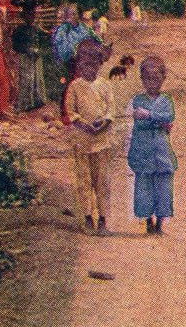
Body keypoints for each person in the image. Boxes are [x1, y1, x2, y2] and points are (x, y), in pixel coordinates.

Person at [63, 40, 115, 234]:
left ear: (100, 65)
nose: (89, 69)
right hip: (82, 140)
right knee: (84, 180)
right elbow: (70, 112)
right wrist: (83, 124)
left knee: (102, 181)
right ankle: (86, 217)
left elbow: (111, 109)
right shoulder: (75, 87)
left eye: (93, 65)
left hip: (102, 141)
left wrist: (104, 123)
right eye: (85, 65)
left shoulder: (105, 85)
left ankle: (102, 218)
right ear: (78, 65)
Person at [127, 56, 177, 235]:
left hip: (162, 150)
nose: (152, 83)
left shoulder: (166, 100)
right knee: (144, 185)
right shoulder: (138, 100)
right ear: (142, 79)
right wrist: (157, 119)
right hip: (144, 149)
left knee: (164, 186)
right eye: (148, 78)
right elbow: (141, 122)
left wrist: (149, 116)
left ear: (163, 79)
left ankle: (161, 222)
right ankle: (148, 220)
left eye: (156, 78)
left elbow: (168, 117)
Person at [11, 1, 47, 111]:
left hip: (36, 57)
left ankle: (38, 101)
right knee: (27, 79)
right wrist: (27, 50)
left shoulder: (37, 29)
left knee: (37, 78)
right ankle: (26, 103)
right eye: (28, 15)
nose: (31, 17)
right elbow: (15, 45)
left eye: (32, 15)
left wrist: (39, 51)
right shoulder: (19, 30)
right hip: (25, 57)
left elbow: (43, 40)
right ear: (24, 16)